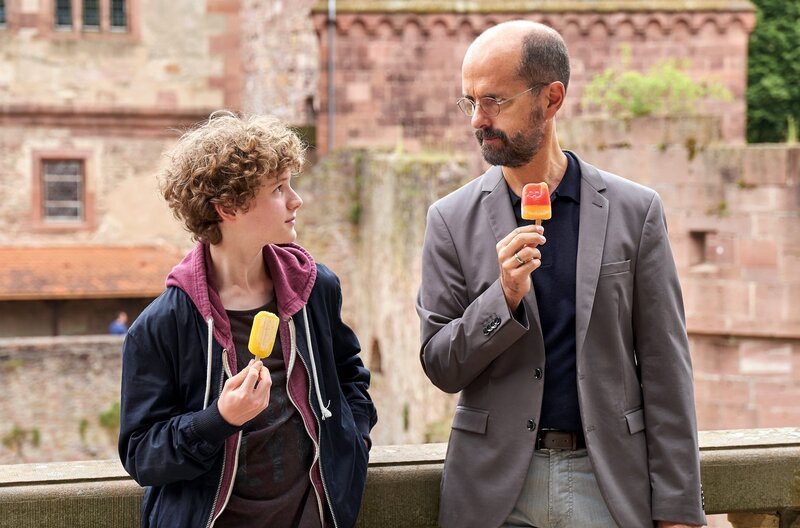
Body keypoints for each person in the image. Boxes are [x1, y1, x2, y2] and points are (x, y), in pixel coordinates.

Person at [416, 20, 705, 528]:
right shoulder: (449, 219)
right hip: (494, 489)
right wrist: (501, 298)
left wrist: (680, 508)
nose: (477, 120)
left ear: (551, 100)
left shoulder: (635, 211)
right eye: (470, 102)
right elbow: (441, 366)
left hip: (610, 482)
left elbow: (666, 368)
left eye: (494, 101)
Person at [118, 111, 377, 528]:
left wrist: (353, 443)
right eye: (278, 188)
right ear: (228, 207)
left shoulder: (316, 289)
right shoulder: (160, 326)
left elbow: (350, 377)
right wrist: (219, 419)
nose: (296, 200)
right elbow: (142, 455)